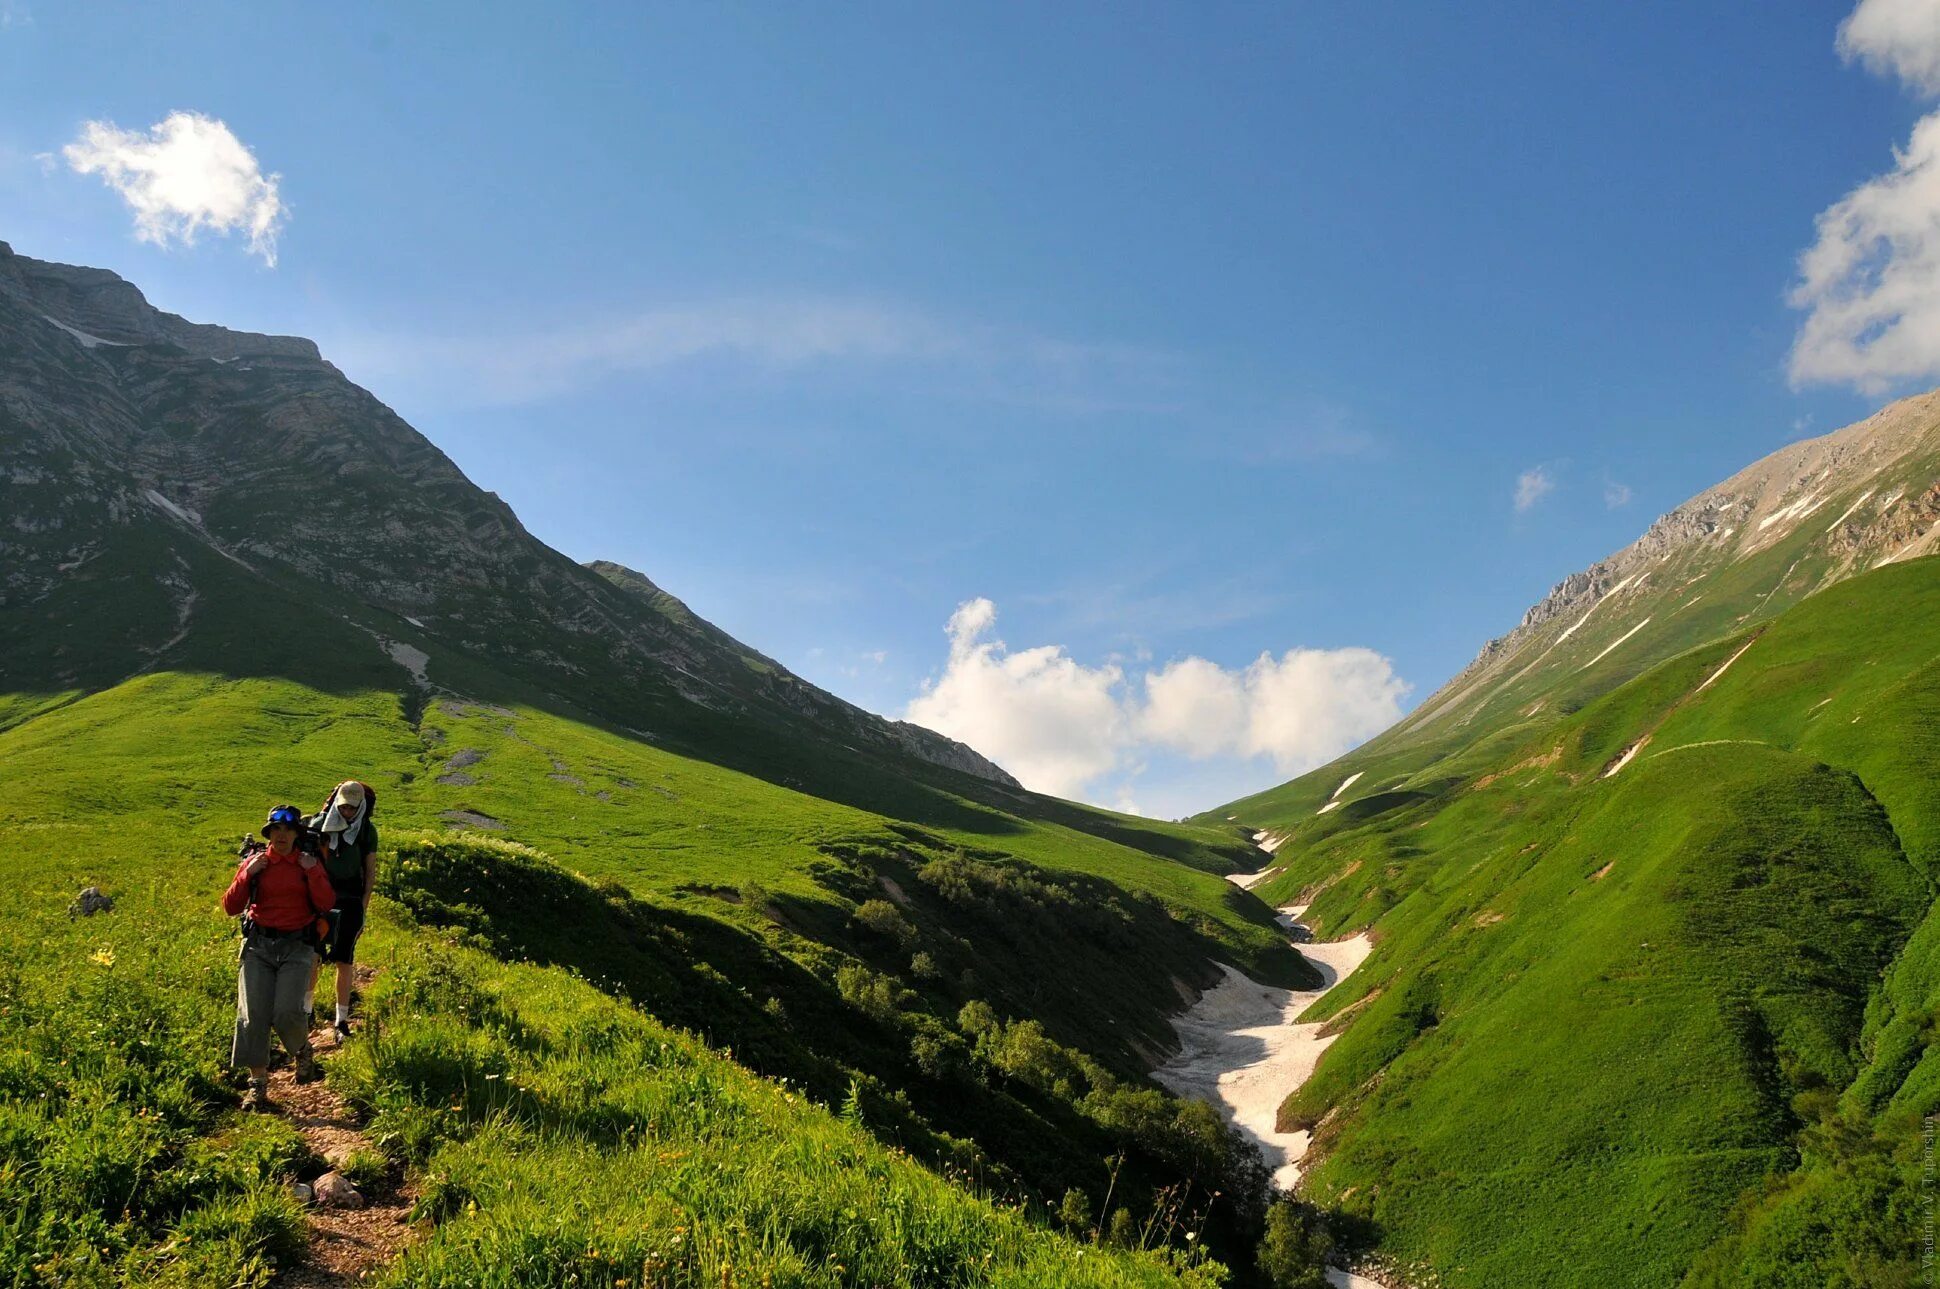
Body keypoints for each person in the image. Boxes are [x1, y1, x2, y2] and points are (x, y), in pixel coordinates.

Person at [223, 804, 334, 1111]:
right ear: (269, 834)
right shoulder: (256, 863)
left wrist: (312, 871)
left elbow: (326, 902)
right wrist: (247, 874)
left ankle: (301, 1050)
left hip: (296, 946)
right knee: (252, 1015)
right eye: (276, 830)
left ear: (297, 834)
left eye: (287, 830)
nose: (281, 835)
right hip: (258, 946)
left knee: (287, 1011)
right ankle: (257, 1085)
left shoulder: (308, 864)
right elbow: (231, 906)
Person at [308, 780, 379, 1038]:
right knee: (313, 955)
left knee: (344, 959)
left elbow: (369, 871)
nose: (347, 812)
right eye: (344, 807)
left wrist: (363, 906)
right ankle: (307, 1010)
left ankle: (341, 1019)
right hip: (320, 898)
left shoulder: (367, 831)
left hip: (349, 899)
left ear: (361, 807)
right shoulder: (318, 827)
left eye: (352, 808)